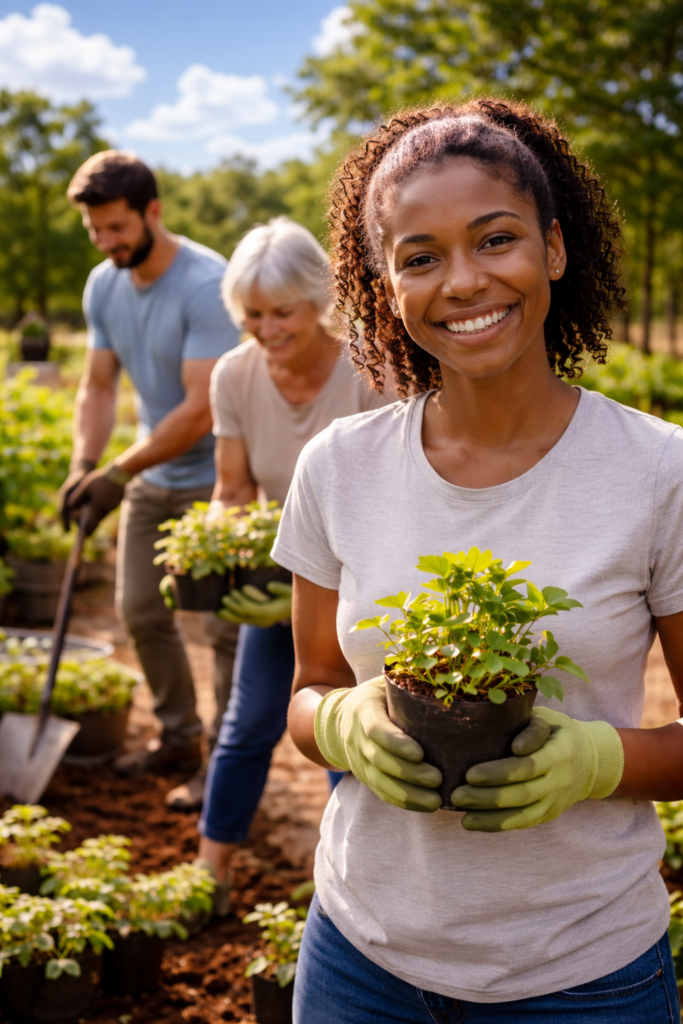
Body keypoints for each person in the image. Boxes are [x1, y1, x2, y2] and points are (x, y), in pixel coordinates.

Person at [274, 100, 683, 1022]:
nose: (461, 281)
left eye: (493, 240)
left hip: (582, 976)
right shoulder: (336, 467)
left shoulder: (660, 471)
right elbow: (307, 688)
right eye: (418, 257)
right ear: (383, 288)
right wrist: (337, 724)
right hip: (357, 959)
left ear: (554, 249)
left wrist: (597, 760)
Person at [194, 216, 393, 900]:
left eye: (283, 312)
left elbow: (397, 500)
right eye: (251, 314)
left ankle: (357, 886)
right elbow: (232, 489)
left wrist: (317, 596)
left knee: (345, 725)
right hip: (279, 573)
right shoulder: (233, 375)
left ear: (319, 302)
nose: (267, 328)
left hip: (366, 580)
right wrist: (222, 554)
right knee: (248, 723)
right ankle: (208, 873)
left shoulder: (372, 367)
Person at [60, 151, 240, 811]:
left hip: (224, 476)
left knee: (222, 629)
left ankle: (221, 762)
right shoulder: (104, 285)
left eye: (117, 228)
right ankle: (178, 737)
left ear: (152, 212)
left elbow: (200, 409)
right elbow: (97, 384)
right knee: (139, 607)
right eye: (96, 231)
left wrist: (117, 471)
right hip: (150, 470)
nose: (107, 244)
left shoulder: (205, 284)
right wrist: (86, 464)